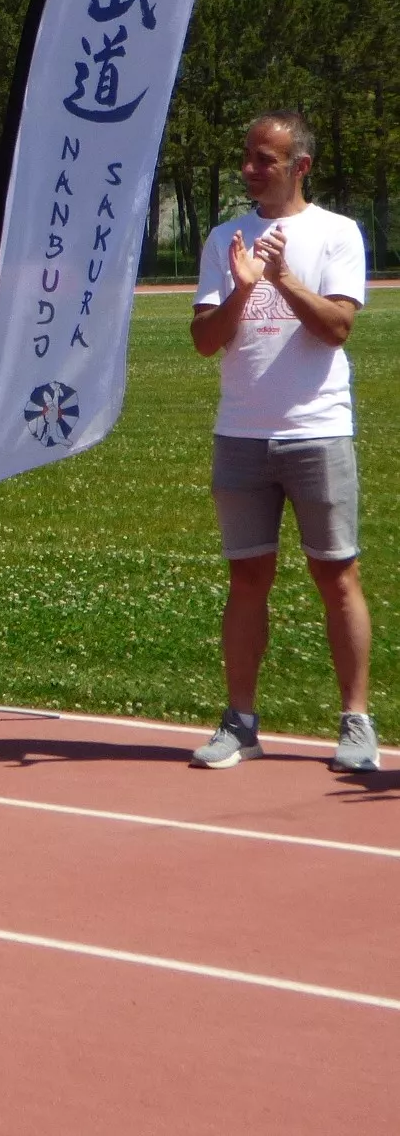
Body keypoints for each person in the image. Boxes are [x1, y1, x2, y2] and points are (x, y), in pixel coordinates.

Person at [189, 111, 376, 772]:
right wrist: (241, 292)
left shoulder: (337, 234)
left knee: (337, 575)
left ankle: (355, 721)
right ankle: (240, 722)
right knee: (247, 577)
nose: (249, 169)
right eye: (247, 156)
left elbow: (337, 328)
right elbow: (207, 340)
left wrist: (283, 279)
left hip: (317, 429)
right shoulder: (225, 237)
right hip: (241, 432)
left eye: (264, 158)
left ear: (300, 165)